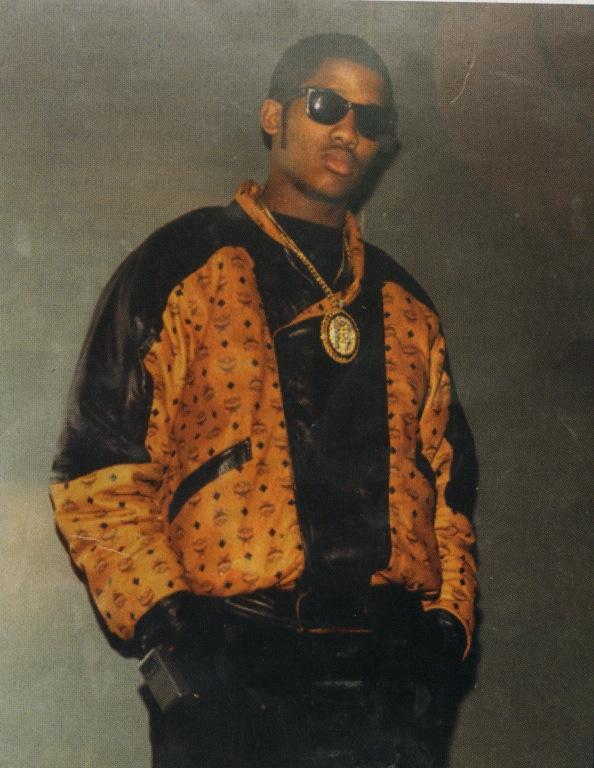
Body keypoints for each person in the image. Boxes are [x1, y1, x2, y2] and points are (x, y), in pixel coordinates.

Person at [50, 33, 478, 768]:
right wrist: (174, 633)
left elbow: (451, 496)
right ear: (274, 115)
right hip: (234, 668)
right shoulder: (182, 264)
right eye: (327, 105)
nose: (348, 131)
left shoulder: (406, 304)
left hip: (388, 677)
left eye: (371, 120)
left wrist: (442, 641)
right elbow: (98, 473)